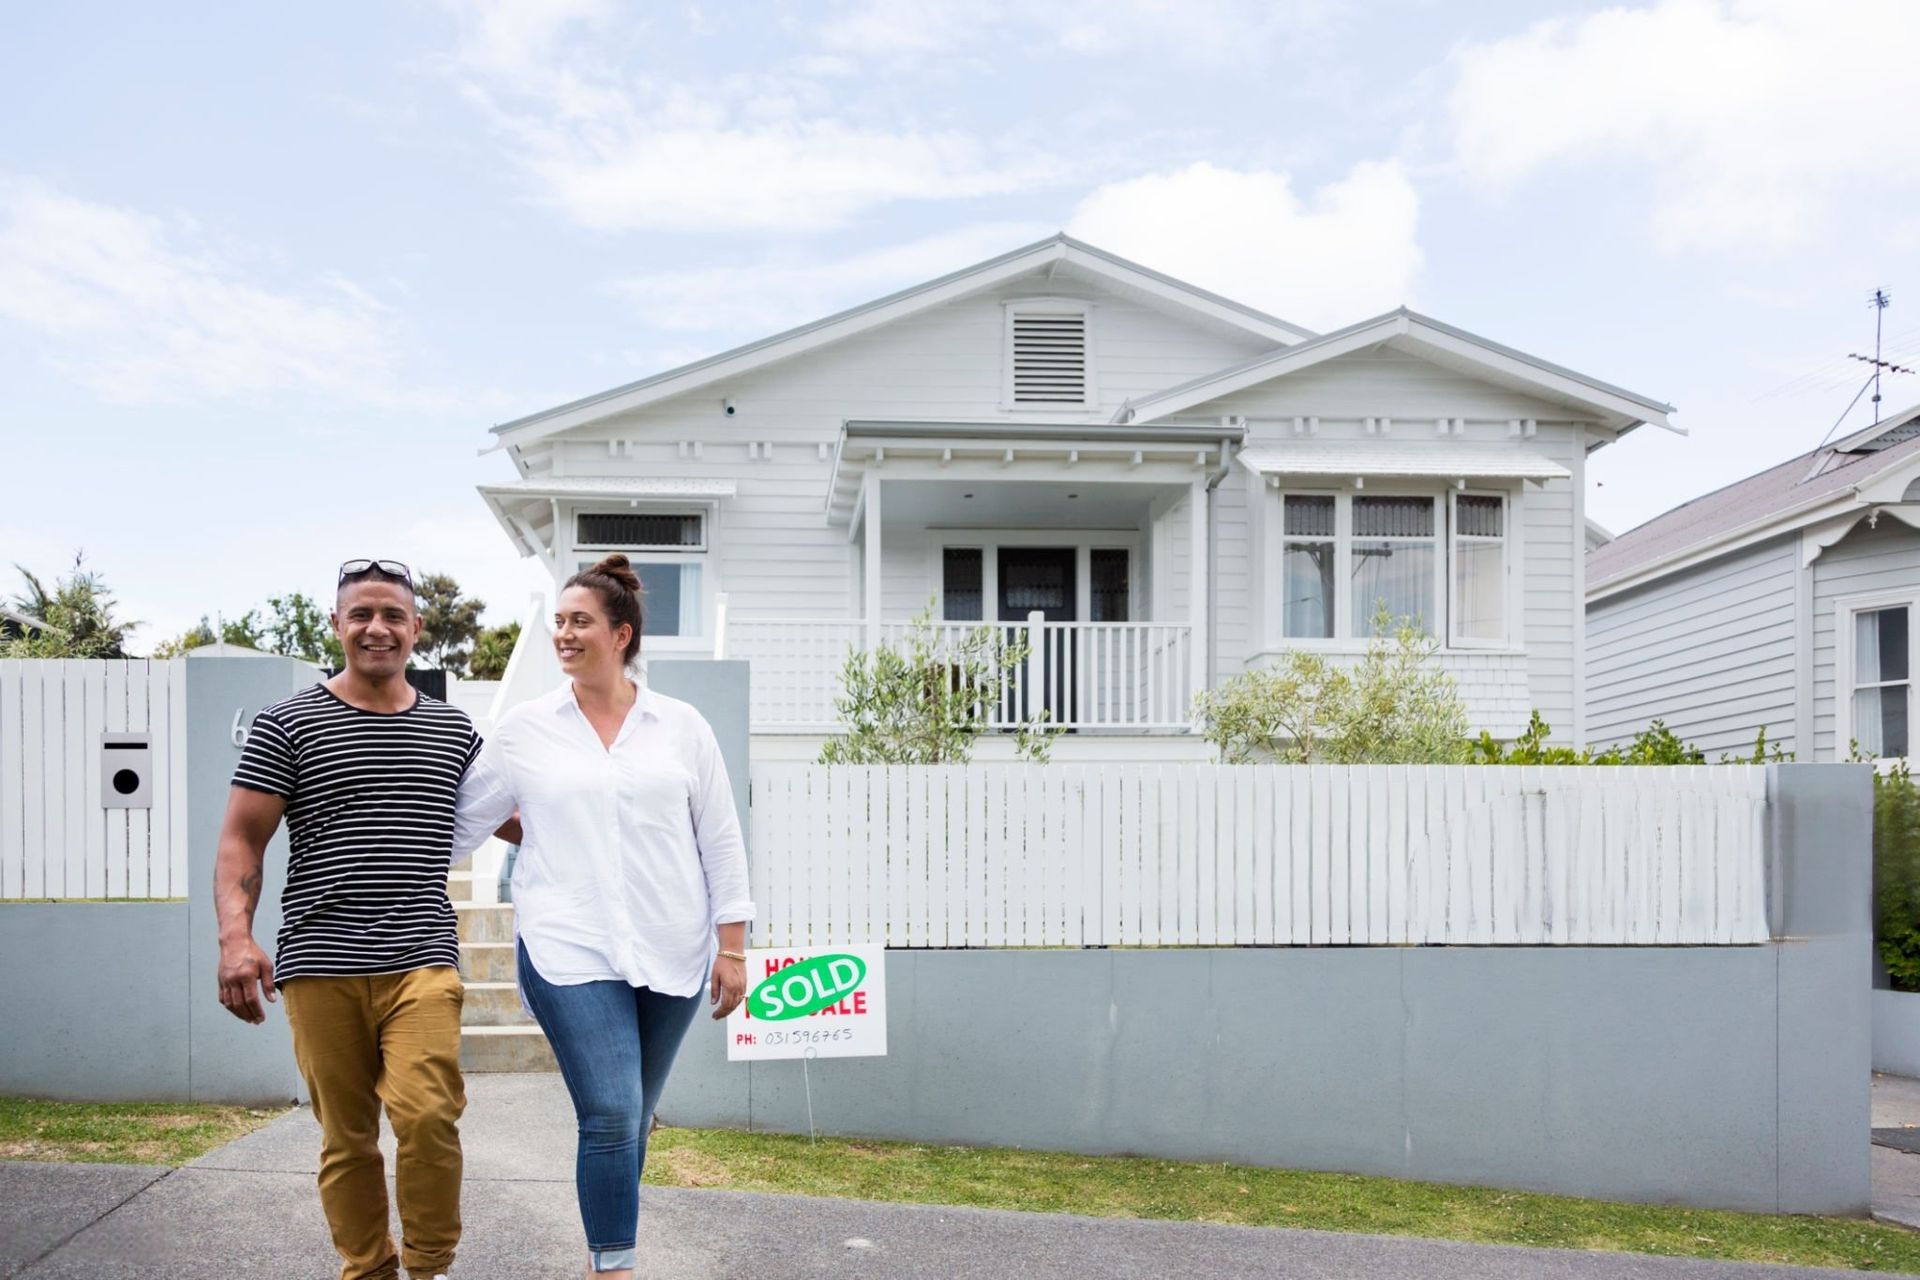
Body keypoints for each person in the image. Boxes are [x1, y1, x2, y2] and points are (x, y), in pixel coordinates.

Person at [452, 553, 754, 1280]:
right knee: (613, 1114)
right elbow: (463, 821)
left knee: (632, 1118)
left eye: (578, 622)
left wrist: (733, 946)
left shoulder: (681, 727)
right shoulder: (525, 730)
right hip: (567, 946)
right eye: (558, 622)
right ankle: (611, 1268)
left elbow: (720, 835)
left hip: (672, 946)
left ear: (620, 635)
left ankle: (611, 1241)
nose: (563, 634)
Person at [214, 559, 487, 1280]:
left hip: (421, 957)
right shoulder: (286, 723)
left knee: (428, 1116)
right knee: (347, 1138)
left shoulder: (455, 731)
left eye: (392, 615)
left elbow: (521, 814)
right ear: (336, 626)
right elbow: (243, 837)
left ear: (416, 630)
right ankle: (368, 1269)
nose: (377, 628)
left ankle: (429, 1267)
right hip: (319, 962)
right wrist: (235, 939)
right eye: (361, 614)